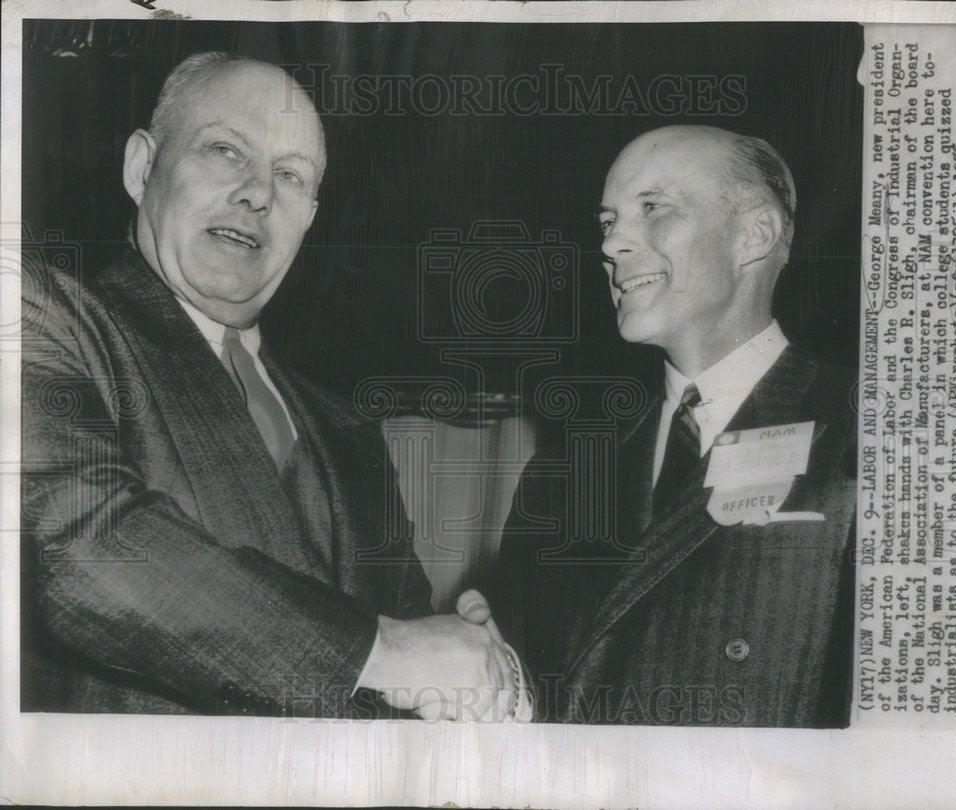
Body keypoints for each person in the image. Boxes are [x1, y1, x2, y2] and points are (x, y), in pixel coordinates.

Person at [21, 52, 517, 721]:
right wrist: (389, 650)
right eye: (226, 150)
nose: (258, 192)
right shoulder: (43, 318)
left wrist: (476, 663)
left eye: (290, 175)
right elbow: (84, 552)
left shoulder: (345, 427)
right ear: (143, 168)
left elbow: (412, 648)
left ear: (308, 218)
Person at [493, 125, 856, 727]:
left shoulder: (873, 429)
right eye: (607, 221)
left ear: (753, 234)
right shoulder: (559, 478)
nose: (611, 245)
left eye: (652, 208)